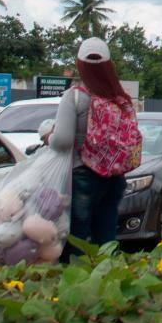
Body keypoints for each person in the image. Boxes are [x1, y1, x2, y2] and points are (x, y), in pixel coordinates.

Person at [45, 37, 141, 252]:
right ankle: (107, 280)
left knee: (77, 241)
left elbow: (62, 141)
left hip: (83, 177)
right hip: (115, 178)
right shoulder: (120, 98)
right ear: (109, 66)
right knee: (105, 240)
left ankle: (77, 283)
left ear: (80, 65)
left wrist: (47, 138)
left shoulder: (75, 97)